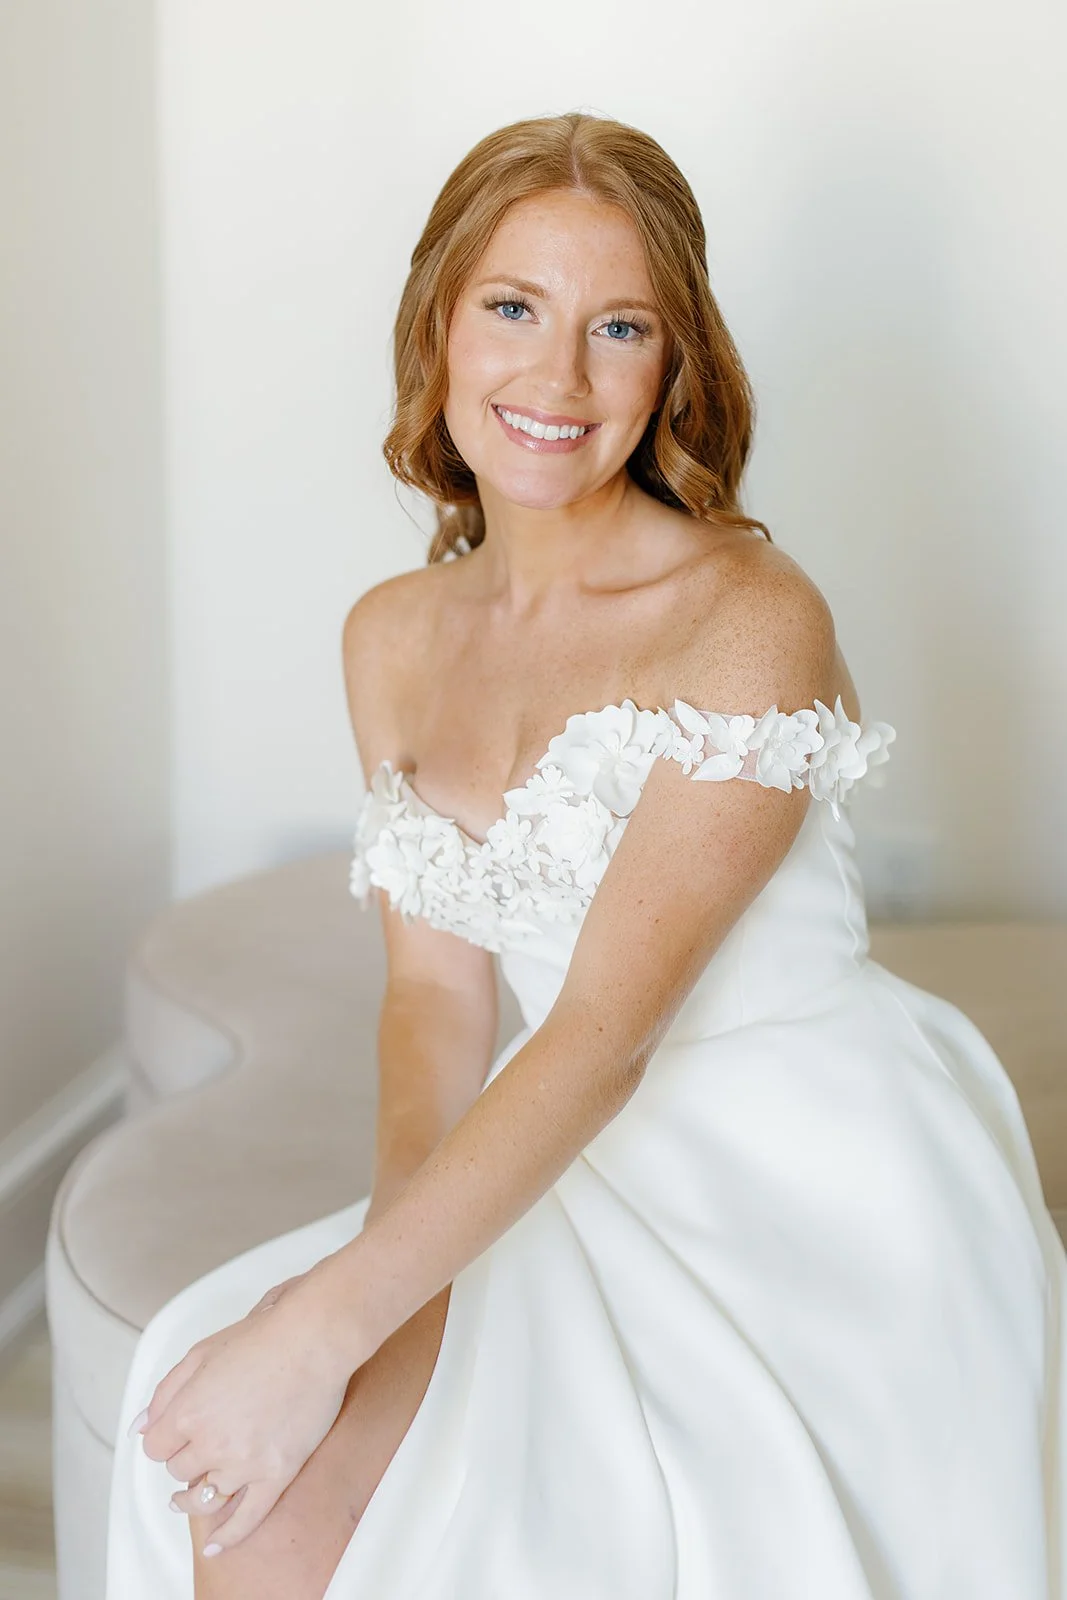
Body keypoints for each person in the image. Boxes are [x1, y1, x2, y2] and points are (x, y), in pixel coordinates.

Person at [106, 111, 1066, 1599]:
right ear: (436, 328)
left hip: (792, 1174)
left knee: (519, 1510)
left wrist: (324, 1327)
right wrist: (382, 1300)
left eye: (616, 327)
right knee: (263, 1497)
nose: (555, 381)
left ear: (675, 364)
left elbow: (609, 1033)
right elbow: (433, 1006)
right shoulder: (392, 635)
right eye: (511, 309)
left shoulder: (750, 620)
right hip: (535, 1139)